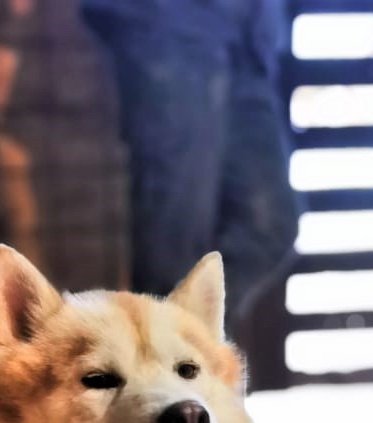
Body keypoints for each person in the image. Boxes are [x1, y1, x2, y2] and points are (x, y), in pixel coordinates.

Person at [80, 0, 298, 336]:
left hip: (250, 35)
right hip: (170, 21)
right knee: (175, 250)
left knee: (268, 227)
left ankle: (181, 345)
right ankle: (167, 353)